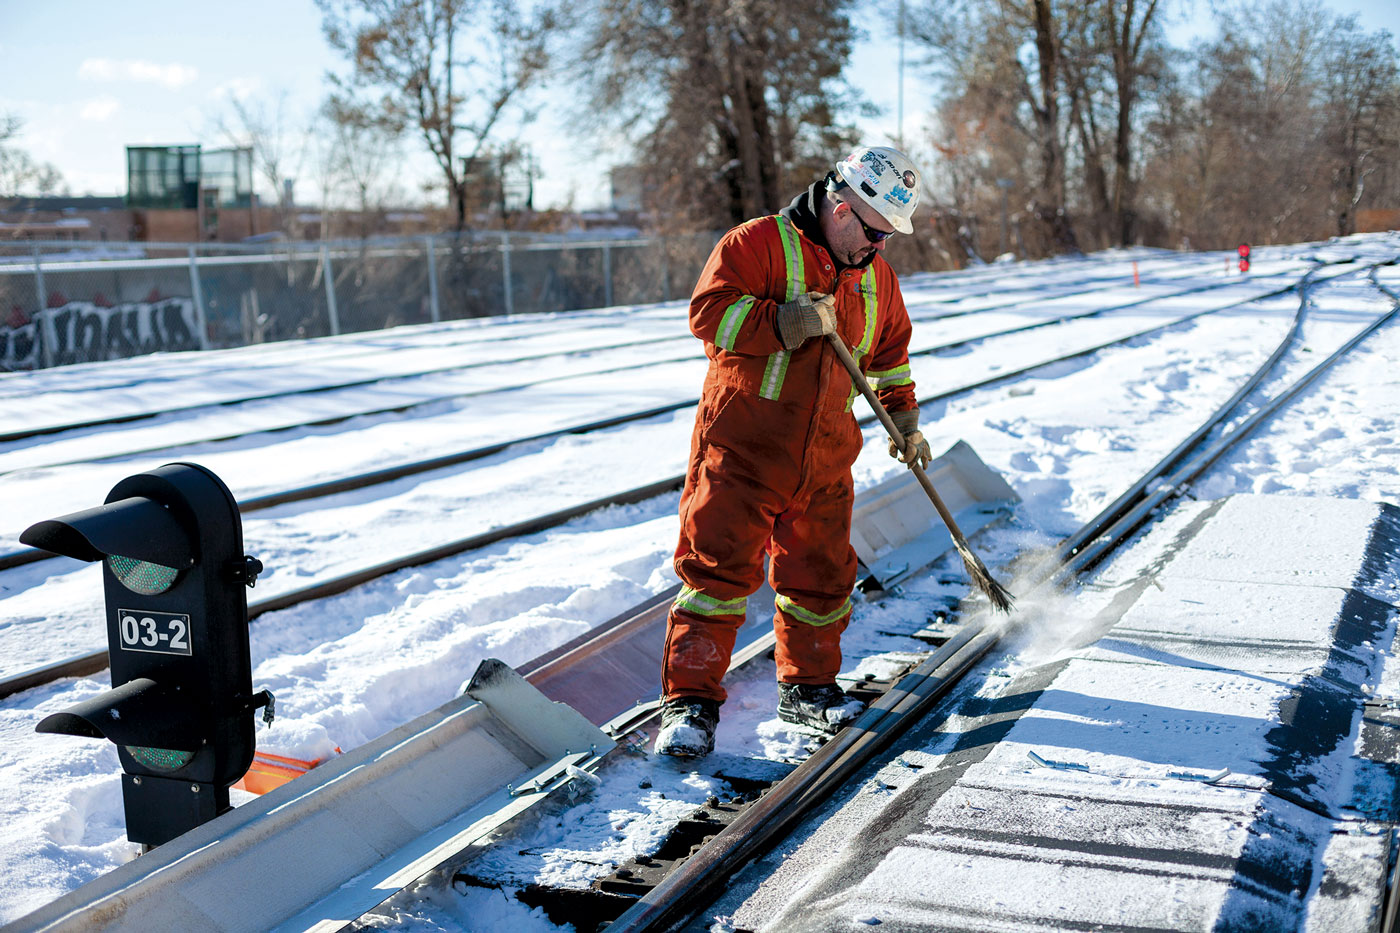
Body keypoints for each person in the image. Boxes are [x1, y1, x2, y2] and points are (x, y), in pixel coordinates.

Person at [655, 145, 933, 758]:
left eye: (888, 238)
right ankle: (690, 706)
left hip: (826, 458)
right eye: (873, 232)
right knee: (716, 573)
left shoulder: (875, 276)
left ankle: (808, 691)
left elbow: (889, 355)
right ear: (840, 209)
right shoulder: (756, 244)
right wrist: (781, 323)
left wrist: (905, 419)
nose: (877, 248)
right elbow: (708, 315)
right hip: (742, 451)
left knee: (822, 579)